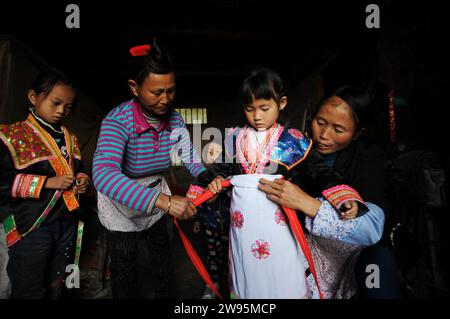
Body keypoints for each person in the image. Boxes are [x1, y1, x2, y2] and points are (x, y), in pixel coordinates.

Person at [186, 68, 383, 299]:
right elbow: (218, 169)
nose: (257, 116)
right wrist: (198, 193)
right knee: (245, 270)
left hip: (278, 223)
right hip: (242, 225)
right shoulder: (234, 139)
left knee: (282, 270)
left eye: (264, 108)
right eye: (249, 109)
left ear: (282, 103)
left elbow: (319, 172)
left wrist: (344, 197)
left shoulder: (293, 140)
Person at [258, 85, 400, 298]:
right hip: (305, 251)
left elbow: (370, 227)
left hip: (355, 255)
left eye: (338, 129)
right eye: (320, 123)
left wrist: (307, 203)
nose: (324, 135)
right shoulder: (292, 153)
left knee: (378, 265)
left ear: (356, 134)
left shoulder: (369, 159)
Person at [92, 39, 205, 299]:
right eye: (157, 92)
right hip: (121, 202)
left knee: (163, 262)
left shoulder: (174, 119)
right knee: (125, 269)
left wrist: (208, 178)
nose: (166, 99)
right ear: (134, 87)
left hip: (156, 196)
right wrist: (164, 201)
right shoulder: (117, 121)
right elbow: (104, 174)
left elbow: (190, 157)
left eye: (171, 90)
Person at [0, 69, 90, 298]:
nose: (61, 111)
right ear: (33, 97)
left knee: (59, 283)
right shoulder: (11, 135)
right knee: (30, 287)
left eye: (68, 107)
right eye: (55, 103)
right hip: (32, 225)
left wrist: (82, 181)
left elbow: (80, 171)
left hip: (67, 221)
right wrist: (47, 182)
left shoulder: (71, 138)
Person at [192, 142, 230, 299]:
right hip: (210, 226)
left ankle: (232, 286)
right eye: (211, 152)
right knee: (213, 256)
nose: (214, 155)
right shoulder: (202, 180)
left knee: (231, 258)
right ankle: (212, 284)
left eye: (218, 152)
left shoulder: (231, 179)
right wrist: (196, 221)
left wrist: (226, 189)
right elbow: (197, 202)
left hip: (230, 227)